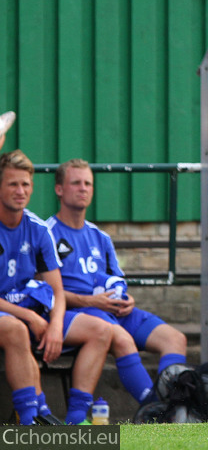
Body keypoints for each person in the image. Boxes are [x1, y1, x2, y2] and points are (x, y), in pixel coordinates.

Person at [47, 159, 188, 406]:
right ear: (59, 189)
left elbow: (116, 279)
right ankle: (156, 410)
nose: (83, 188)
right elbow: (47, 292)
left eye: (88, 184)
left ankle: (173, 402)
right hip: (77, 312)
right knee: (122, 338)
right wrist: (91, 300)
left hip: (110, 310)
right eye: (76, 183)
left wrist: (126, 299)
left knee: (175, 339)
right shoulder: (46, 233)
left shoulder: (100, 237)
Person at [0, 150, 113, 424]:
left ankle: (75, 421)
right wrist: (29, 317)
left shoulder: (38, 230)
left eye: (25, 184)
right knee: (16, 329)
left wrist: (55, 325)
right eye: (12, 184)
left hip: (30, 311)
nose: (20, 191)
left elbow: (57, 292)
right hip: (9, 316)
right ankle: (31, 421)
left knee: (101, 330)